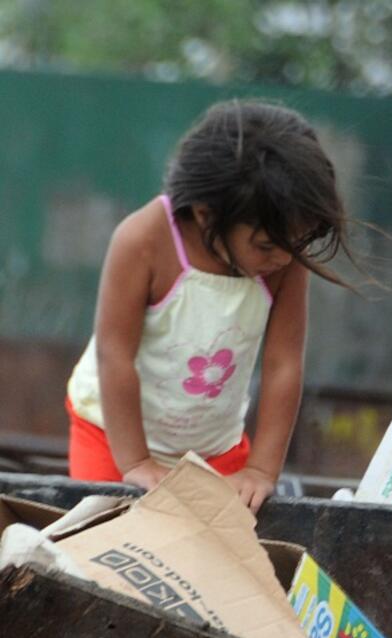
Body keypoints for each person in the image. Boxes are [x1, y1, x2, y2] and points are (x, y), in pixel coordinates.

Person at [66, 99, 351, 512]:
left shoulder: (283, 256)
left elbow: (283, 363)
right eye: (267, 245)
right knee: (103, 539)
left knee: (216, 553)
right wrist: (137, 462)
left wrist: (261, 470)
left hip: (214, 447)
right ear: (205, 215)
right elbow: (115, 354)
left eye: (297, 244)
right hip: (112, 436)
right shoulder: (143, 241)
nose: (285, 258)